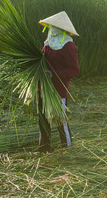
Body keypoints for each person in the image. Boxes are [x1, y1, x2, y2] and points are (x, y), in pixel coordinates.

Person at [37, 11, 80, 153]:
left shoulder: (68, 46)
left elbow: (74, 70)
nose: (52, 29)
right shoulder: (48, 41)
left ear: (62, 29)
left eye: (55, 27)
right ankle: (44, 147)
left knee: (60, 121)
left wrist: (54, 75)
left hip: (58, 89)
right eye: (51, 26)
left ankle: (66, 148)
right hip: (43, 86)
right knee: (43, 118)